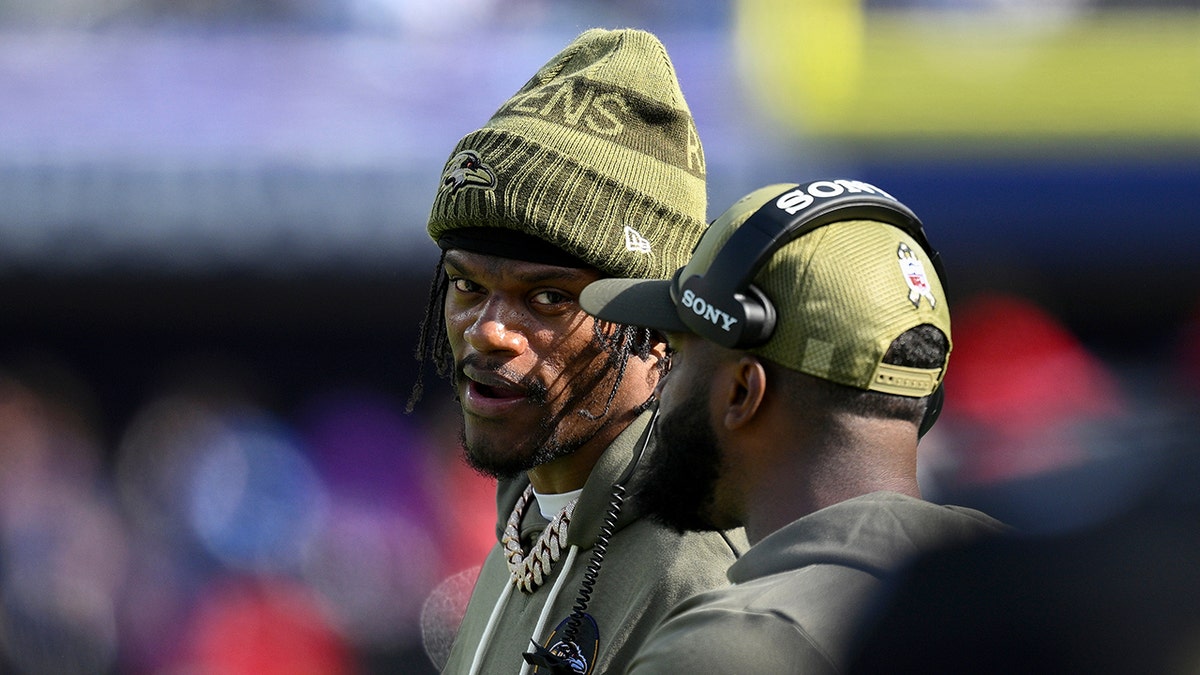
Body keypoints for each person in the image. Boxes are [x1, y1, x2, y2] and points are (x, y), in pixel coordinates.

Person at [408, 28, 747, 675]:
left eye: (548, 299)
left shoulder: (700, 580)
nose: (488, 330)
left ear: (654, 324)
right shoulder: (527, 525)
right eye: (466, 285)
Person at [579, 179, 1009, 673]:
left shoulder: (730, 649)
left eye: (677, 353)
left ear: (742, 391)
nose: (663, 387)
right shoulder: (1043, 592)